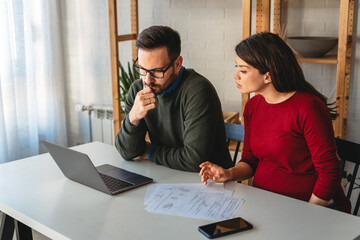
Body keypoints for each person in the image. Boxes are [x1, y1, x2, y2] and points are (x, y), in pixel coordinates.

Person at [199, 32, 351, 213]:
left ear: (268, 76)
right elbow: (250, 160)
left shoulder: (308, 108)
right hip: (265, 204)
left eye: (243, 70)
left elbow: (329, 174)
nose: (235, 76)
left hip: (311, 208)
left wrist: (309, 214)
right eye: (236, 67)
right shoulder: (253, 106)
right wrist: (228, 173)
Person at [115, 25, 233, 172]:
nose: (147, 79)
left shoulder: (198, 91)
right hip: (167, 174)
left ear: (177, 64)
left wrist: (151, 152)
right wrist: (133, 118)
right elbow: (126, 152)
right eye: (142, 69)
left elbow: (195, 160)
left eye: (157, 71)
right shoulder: (138, 89)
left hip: (211, 183)